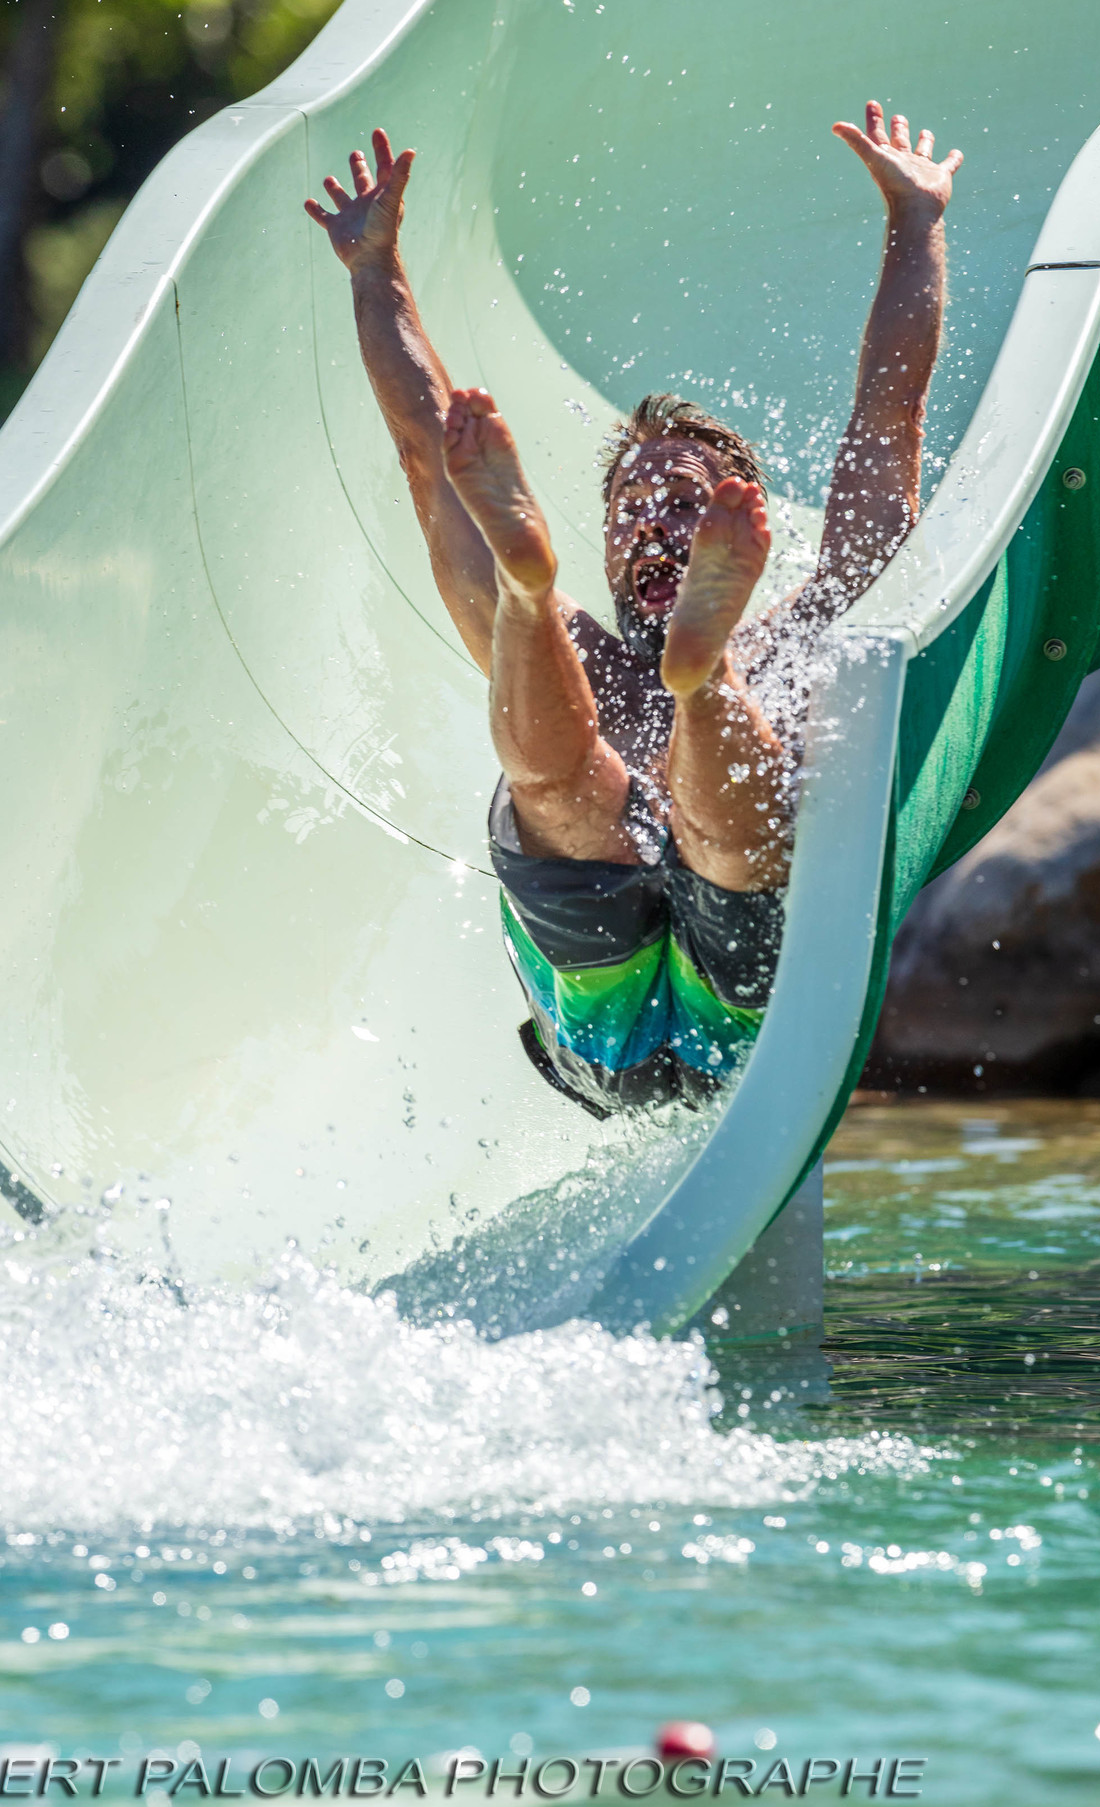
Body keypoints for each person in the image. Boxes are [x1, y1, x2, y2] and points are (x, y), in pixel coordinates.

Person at [304, 101, 961, 1114]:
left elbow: (428, 454)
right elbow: (885, 430)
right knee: (704, 826)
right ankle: (693, 679)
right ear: (605, 539)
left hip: (598, 1020)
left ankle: (647, 653)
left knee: (560, 782)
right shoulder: (787, 634)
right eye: (632, 508)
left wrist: (372, 269)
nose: (652, 528)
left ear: (744, 540)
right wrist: (914, 221)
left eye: (684, 507)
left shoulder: (678, 644)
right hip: (745, 1001)